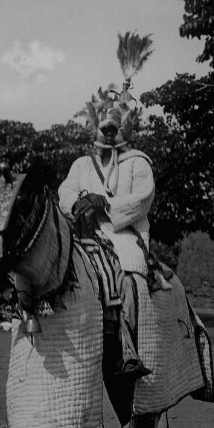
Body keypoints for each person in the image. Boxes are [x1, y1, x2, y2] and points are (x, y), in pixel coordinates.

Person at [58, 106, 156, 382]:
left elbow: (141, 199)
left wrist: (106, 204)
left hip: (123, 233)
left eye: (114, 128)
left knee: (129, 273)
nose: (109, 134)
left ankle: (127, 349)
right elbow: (65, 191)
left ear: (124, 130)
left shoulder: (138, 163)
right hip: (85, 232)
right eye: (105, 128)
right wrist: (79, 201)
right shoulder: (82, 165)